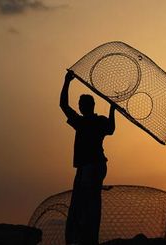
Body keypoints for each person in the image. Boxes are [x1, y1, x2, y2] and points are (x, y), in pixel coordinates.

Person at [60, 70, 116, 245]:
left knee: (84, 204)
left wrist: (67, 82)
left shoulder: (83, 122)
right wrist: (112, 109)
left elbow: (63, 105)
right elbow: (111, 129)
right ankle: (88, 237)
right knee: (91, 203)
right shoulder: (98, 121)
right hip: (96, 166)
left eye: (80, 104)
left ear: (86, 106)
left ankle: (84, 238)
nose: (78, 106)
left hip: (90, 167)